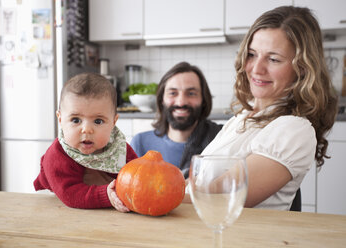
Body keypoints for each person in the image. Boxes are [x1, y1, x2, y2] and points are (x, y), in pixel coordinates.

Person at [191, 6, 338, 210]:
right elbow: (197, 184)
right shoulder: (242, 117)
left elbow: (218, 200)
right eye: (251, 54)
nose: (256, 69)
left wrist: (151, 192)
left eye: (273, 59)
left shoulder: (294, 130)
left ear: (302, 68)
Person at [34, 72, 137, 212]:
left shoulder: (119, 148)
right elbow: (70, 194)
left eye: (98, 121)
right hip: (61, 206)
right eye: (76, 120)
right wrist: (105, 194)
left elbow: (137, 174)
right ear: (60, 119)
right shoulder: (58, 154)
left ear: (113, 122)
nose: (87, 130)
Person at [130, 62, 223, 178]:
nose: (181, 102)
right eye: (173, 93)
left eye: (191, 93)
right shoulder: (140, 143)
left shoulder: (221, 140)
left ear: (203, 99)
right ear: (161, 99)